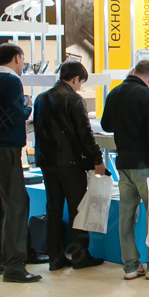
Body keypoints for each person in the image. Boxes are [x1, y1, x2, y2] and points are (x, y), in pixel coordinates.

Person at [101, 59, 149, 280]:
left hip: (123, 165)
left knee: (126, 218)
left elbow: (106, 125)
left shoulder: (114, 93)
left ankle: (130, 266)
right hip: (146, 166)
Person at [0, 43, 40, 283]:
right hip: (6, 149)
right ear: (16, 58)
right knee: (16, 204)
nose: (23, 64)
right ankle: (14, 266)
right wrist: (28, 108)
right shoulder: (12, 82)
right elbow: (14, 115)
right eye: (23, 59)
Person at [33, 60, 106, 271]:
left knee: (53, 208)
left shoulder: (41, 98)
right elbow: (85, 134)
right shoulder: (74, 99)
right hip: (70, 163)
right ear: (75, 79)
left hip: (47, 161)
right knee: (78, 209)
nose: (80, 87)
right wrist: (97, 159)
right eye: (81, 83)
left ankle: (55, 257)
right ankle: (79, 255)